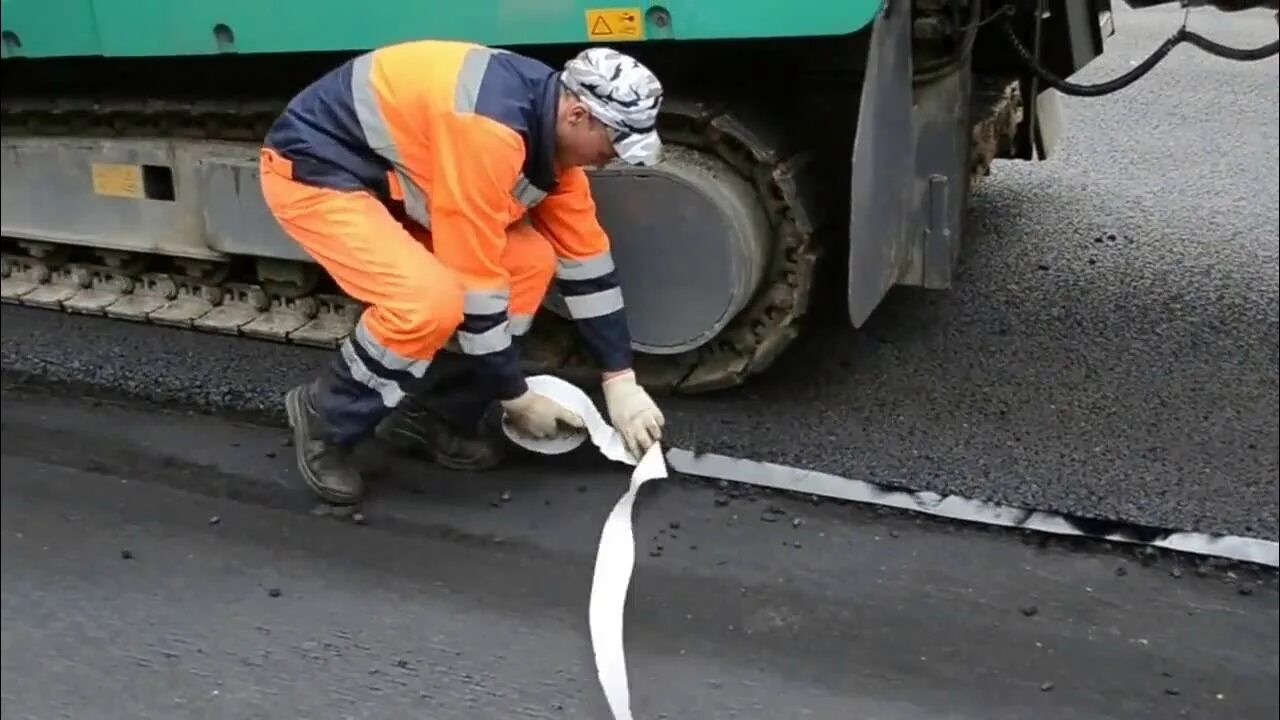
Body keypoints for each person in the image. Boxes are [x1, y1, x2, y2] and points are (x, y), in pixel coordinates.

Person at [258, 40, 667, 504]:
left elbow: (587, 263)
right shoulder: (489, 132)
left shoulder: (549, 139)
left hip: (393, 181)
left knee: (529, 263)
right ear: (577, 115)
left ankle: (431, 414)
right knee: (427, 303)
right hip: (317, 171)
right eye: (615, 143)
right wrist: (516, 397)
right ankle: (326, 417)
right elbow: (475, 282)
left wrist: (620, 380)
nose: (614, 157)